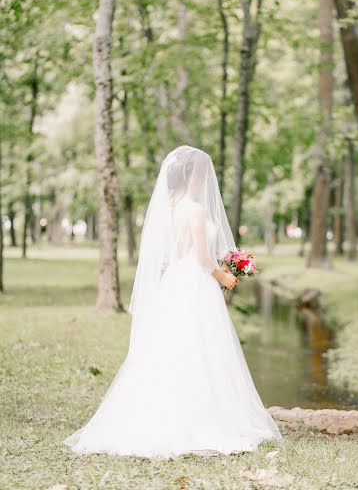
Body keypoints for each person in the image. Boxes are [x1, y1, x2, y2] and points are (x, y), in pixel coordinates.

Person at [64, 145, 282, 458]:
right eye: (204, 174)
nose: (208, 179)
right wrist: (223, 275)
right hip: (195, 282)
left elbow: (178, 252)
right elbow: (203, 257)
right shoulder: (195, 208)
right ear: (193, 175)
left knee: (172, 347)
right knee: (201, 346)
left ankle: (164, 410)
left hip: (176, 282)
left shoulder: (172, 207)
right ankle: (202, 417)